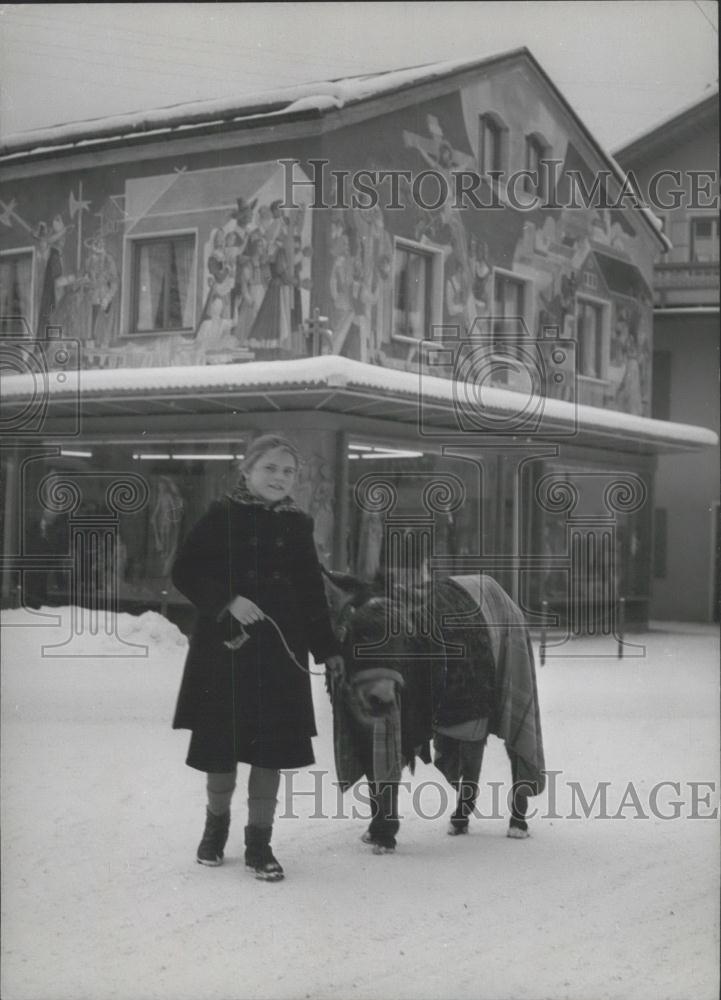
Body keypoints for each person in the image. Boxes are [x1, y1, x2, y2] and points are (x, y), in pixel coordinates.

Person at [171, 435, 343, 882]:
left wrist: (328, 650)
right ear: (246, 470)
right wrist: (227, 601)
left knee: (270, 750)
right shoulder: (220, 515)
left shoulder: (298, 524)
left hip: (279, 656)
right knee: (221, 748)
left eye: (288, 471)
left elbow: (311, 594)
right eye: (270, 468)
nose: (279, 478)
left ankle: (259, 843)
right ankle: (215, 829)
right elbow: (184, 571)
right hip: (225, 648)